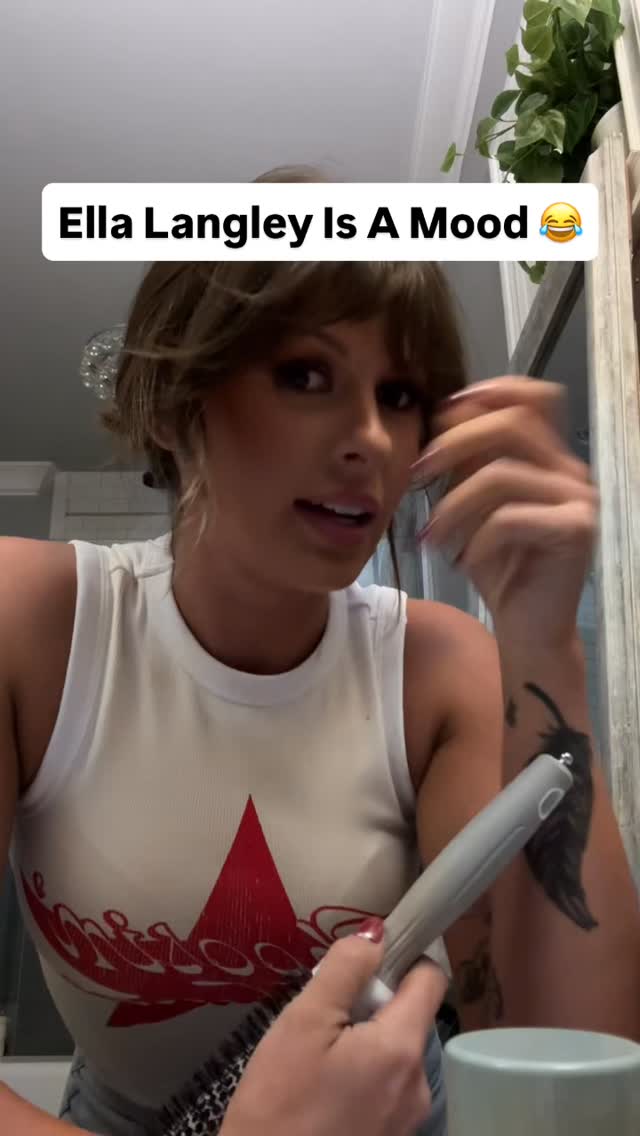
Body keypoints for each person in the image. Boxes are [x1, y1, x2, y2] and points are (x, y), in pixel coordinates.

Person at [0, 168, 639, 1136]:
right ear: (174, 400)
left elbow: (568, 1073)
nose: (371, 438)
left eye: (401, 394)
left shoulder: (439, 669)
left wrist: (546, 641)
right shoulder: (34, 620)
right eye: (305, 375)